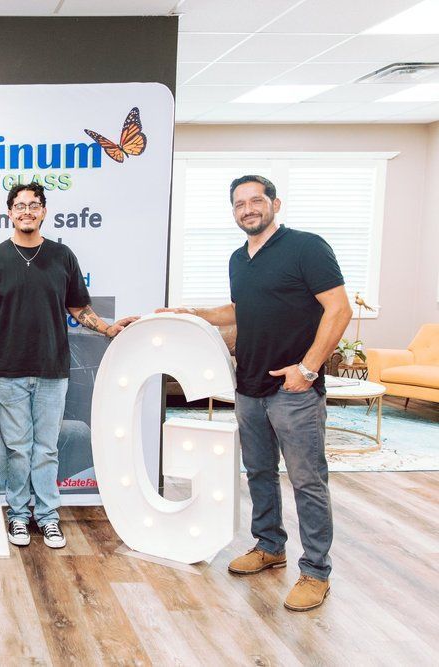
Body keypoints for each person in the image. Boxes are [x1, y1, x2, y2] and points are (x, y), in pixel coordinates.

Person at [158, 175, 351, 612]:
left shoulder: (306, 247)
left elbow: (339, 308)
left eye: (256, 200)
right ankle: (269, 546)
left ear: (274, 204)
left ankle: (316, 572)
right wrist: (195, 312)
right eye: (240, 204)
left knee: (307, 481)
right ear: (233, 212)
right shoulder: (238, 259)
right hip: (249, 386)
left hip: (294, 389)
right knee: (259, 472)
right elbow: (242, 309)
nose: (248, 209)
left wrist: (307, 369)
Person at [0, 182, 136, 549]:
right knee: (19, 449)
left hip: (52, 370)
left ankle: (48, 517)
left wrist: (108, 328)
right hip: (8, 371)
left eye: (34, 205)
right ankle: (18, 516)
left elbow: (78, 308)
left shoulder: (62, 256)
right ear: (9, 213)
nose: (27, 212)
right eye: (19, 206)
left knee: (46, 449)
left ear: (44, 211)